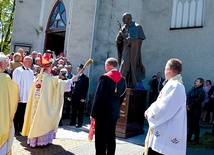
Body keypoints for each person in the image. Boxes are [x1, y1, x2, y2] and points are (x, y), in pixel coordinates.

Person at [21, 53, 73, 147]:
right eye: (50, 67)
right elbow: (61, 85)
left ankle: (34, 140)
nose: (52, 69)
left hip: (36, 107)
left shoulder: (36, 79)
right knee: (44, 120)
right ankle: (41, 141)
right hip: (44, 106)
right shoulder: (49, 79)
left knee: (36, 119)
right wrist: (71, 81)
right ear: (47, 68)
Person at [144, 58, 187, 155]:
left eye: (165, 69)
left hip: (167, 132)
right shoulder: (171, 84)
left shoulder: (176, 86)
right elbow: (160, 102)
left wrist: (150, 113)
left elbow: (165, 108)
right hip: (162, 128)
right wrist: (150, 108)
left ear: (168, 69)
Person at [90, 57, 126, 155]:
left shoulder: (105, 78)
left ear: (108, 65)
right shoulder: (122, 79)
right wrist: (115, 108)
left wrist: (93, 113)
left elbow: (99, 97)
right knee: (111, 135)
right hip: (114, 113)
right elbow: (122, 96)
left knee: (101, 137)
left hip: (103, 113)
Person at [116, 13, 146, 88]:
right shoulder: (123, 28)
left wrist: (129, 40)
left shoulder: (137, 27)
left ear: (128, 19)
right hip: (125, 50)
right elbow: (119, 41)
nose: (122, 20)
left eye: (124, 18)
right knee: (124, 67)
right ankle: (122, 85)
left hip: (132, 52)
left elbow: (137, 41)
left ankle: (121, 85)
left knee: (125, 67)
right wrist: (120, 36)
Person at [0, 53, 19, 155]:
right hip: (2, 112)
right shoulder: (5, 78)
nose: (7, 65)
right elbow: (14, 93)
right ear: (0, 64)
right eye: (5, 63)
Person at [12, 56, 34, 136]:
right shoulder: (18, 71)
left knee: (25, 113)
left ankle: (22, 128)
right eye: (28, 61)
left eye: (31, 62)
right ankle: (16, 129)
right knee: (18, 113)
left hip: (28, 97)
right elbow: (15, 84)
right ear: (24, 62)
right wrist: (17, 95)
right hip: (20, 96)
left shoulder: (31, 72)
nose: (29, 63)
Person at [187, 78, 205, 145]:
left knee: (196, 124)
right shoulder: (192, 89)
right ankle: (188, 138)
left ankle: (196, 139)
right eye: (195, 81)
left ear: (201, 83)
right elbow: (188, 96)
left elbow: (198, 100)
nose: (195, 82)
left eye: (197, 81)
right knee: (190, 123)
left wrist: (190, 105)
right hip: (190, 108)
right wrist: (187, 105)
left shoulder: (201, 91)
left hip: (196, 109)